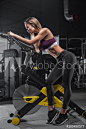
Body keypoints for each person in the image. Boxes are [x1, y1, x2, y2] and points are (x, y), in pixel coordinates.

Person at [8, 17, 76, 125]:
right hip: (59, 61)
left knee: (66, 85)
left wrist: (14, 34)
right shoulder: (38, 39)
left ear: (34, 24)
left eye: (28, 27)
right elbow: (30, 47)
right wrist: (16, 41)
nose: (27, 30)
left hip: (67, 57)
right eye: (26, 28)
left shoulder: (45, 31)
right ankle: (51, 111)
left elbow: (30, 43)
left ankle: (63, 114)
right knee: (48, 82)